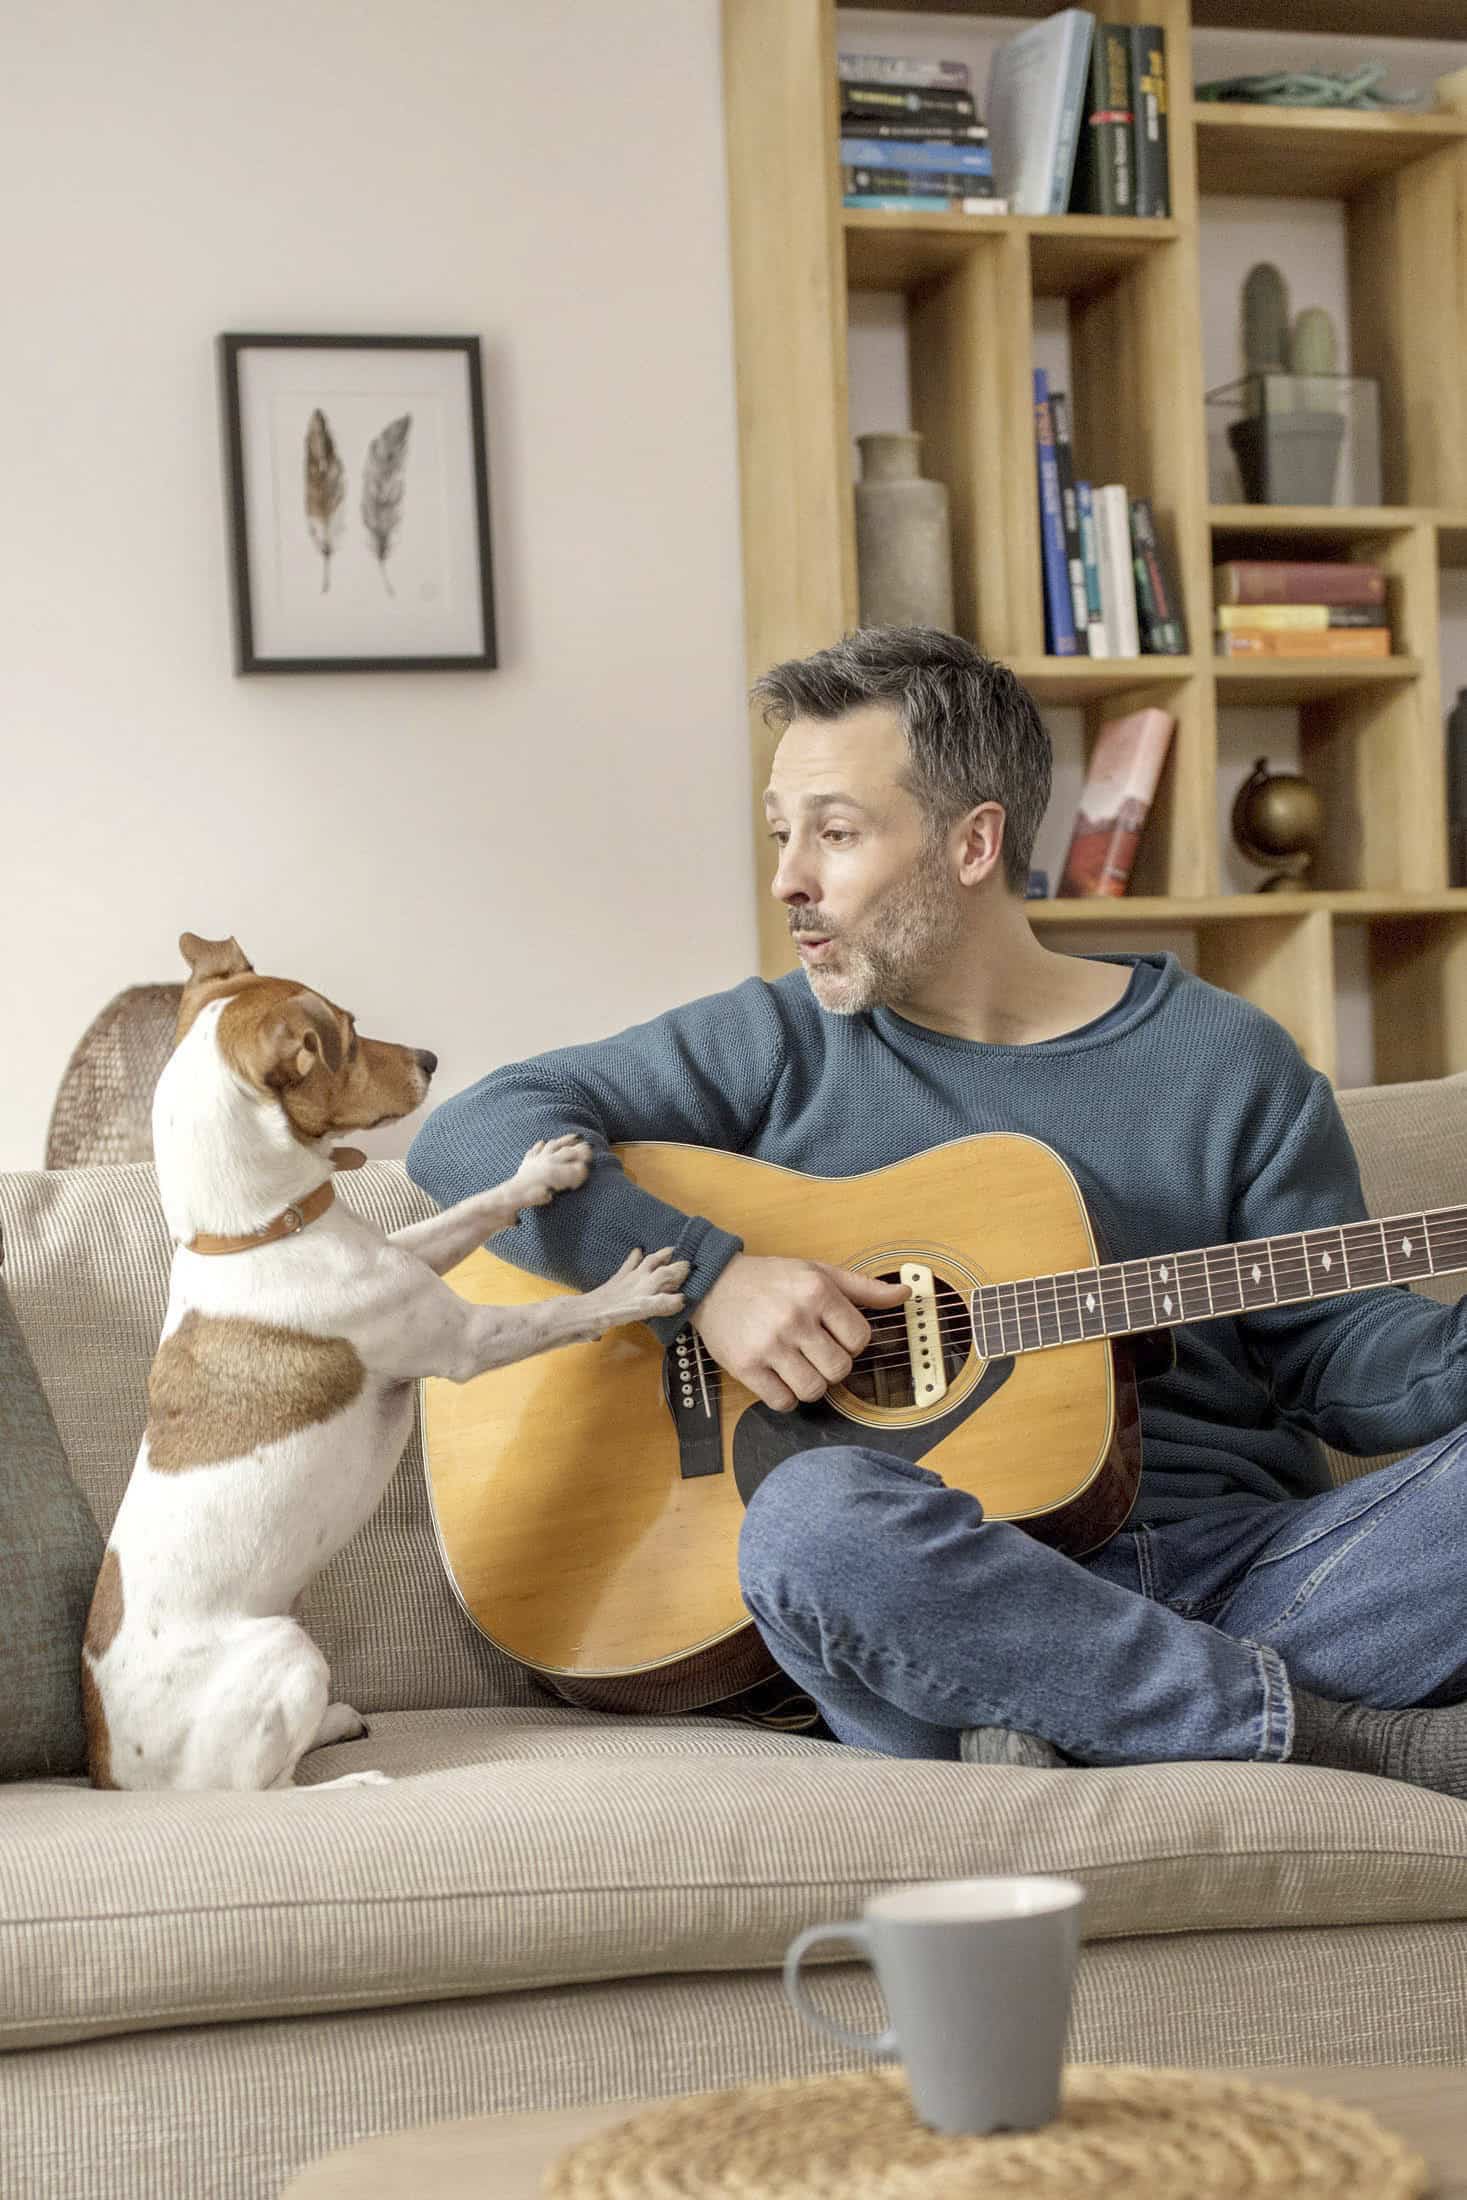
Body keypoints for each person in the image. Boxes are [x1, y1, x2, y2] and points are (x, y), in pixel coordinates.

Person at [407, 626, 1467, 1795]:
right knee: (812, 1523)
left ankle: (1077, 1716)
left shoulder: (1228, 1061)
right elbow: (472, 1130)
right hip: (939, 1585)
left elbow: (1342, 1349)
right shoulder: (775, 1045)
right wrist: (713, 1279)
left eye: (836, 832)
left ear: (973, 842)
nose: (788, 879)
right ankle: (1342, 1742)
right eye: (780, 835)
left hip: (1256, 1575)